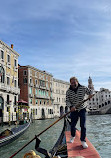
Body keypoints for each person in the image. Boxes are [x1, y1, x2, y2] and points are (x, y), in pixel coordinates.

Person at [66, 77, 93, 148]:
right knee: (72, 125)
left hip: (82, 109)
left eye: (74, 82)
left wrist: (91, 95)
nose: (73, 84)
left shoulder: (83, 88)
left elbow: (91, 91)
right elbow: (67, 101)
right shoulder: (68, 92)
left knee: (83, 126)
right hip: (74, 110)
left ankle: (83, 141)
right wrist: (71, 106)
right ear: (70, 83)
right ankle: (72, 136)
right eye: (71, 83)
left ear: (77, 82)